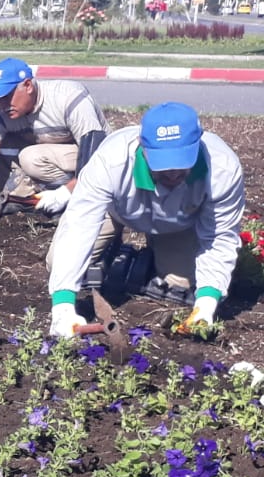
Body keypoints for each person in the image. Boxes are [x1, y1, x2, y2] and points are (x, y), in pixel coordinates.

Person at [47, 102, 245, 340]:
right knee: (55, 262)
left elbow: (218, 237)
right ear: (142, 146)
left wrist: (205, 306)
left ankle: (146, 260)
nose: (172, 172)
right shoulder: (111, 161)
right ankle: (113, 252)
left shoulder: (222, 168)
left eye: (181, 160)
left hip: (177, 225)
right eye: (162, 162)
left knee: (183, 284)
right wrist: (63, 306)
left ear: (199, 142)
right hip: (116, 212)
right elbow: (80, 226)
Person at [0, 58, 108, 232]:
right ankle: (24, 200)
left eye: (6, 97)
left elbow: (95, 154)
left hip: (98, 160)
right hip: (53, 156)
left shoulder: (68, 97)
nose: (2, 105)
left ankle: (71, 205)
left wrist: (67, 192)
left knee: (31, 157)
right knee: (0, 145)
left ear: (28, 85)